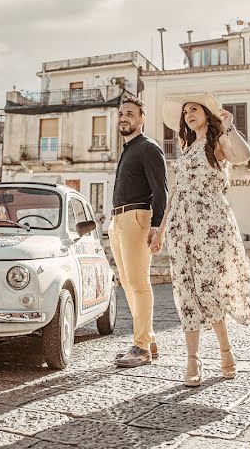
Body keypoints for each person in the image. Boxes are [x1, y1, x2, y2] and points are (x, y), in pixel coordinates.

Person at [150, 93, 250, 387]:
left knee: (210, 288)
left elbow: (244, 156)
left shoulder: (217, 144)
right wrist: (160, 229)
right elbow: (175, 194)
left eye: (194, 109)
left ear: (207, 114)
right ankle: (192, 359)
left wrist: (229, 126)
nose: (188, 114)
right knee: (185, 289)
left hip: (211, 224)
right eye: (185, 112)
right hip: (181, 227)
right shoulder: (185, 147)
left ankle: (225, 351)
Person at [109, 96, 168, 368]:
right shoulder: (128, 149)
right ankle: (148, 339)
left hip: (138, 217)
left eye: (130, 113)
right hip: (118, 221)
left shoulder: (148, 148)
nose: (124, 117)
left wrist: (157, 227)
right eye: (121, 113)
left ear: (142, 118)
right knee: (128, 282)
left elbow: (161, 191)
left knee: (139, 283)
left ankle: (141, 347)